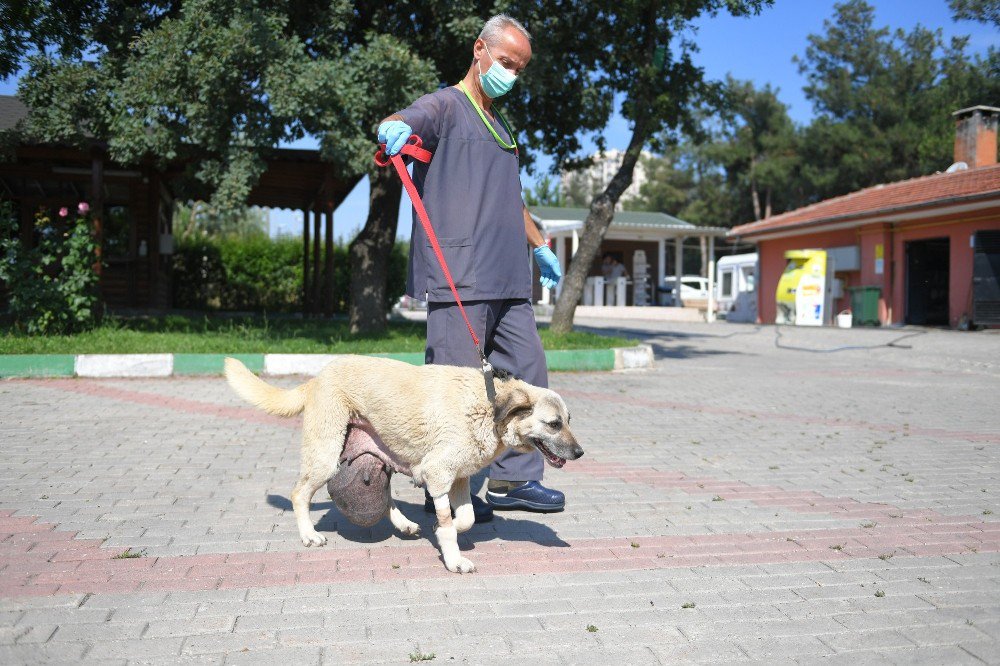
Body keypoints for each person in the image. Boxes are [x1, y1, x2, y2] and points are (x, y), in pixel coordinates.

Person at [377, 13, 565, 521]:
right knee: (456, 392)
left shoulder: (501, 125)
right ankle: (450, 492)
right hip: (460, 275)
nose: (512, 74)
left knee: (529, 375)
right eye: (506, 62)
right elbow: (413, 117)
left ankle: (513, 479)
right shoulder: (447, 106)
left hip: (509, 278)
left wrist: (540, 244)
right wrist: (395, 126)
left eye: (520, 68)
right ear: (479, 50)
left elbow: (513, 200)